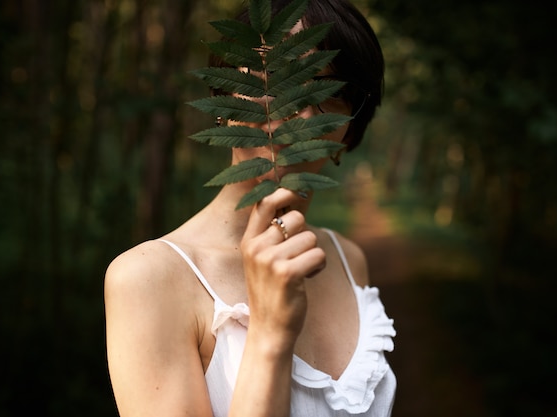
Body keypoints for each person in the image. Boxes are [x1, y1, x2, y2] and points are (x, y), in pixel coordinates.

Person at [104, 0, 396, 416]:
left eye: (332, 92)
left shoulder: (348, 260)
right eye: (277, 79)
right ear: (224, 97)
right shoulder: (149, 278)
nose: (301, 112)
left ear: (349, 133)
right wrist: (270, 334)